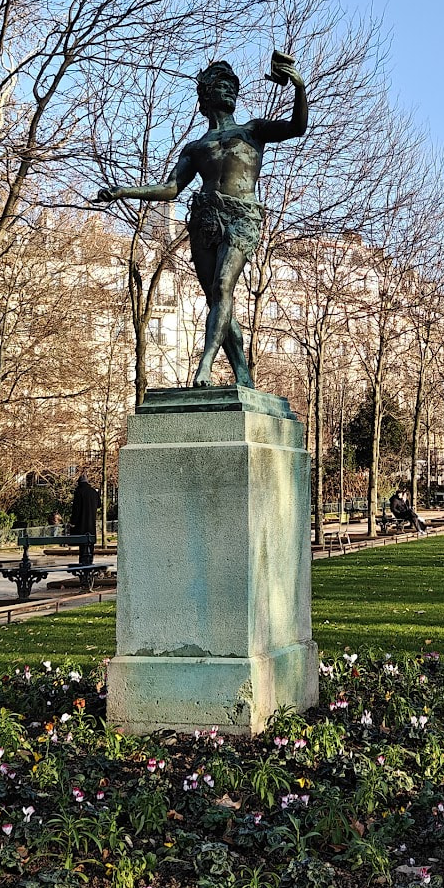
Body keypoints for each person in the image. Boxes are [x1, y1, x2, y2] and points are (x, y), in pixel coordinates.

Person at [96, 53, 308, 388]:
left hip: (242, 218)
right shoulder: (196, 147)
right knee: (215, 300)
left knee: (223, 287)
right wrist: (124, 191)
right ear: (206, 95)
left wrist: (298, 87)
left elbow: (297, 127)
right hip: (204, 220)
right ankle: (242, 375)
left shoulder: (253, 131)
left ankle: (205, 366)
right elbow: (171, 188)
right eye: (222, 85)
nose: (230, 91)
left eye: (233, 86)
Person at [70, 471, 100, 564]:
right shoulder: (94, 492)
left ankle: (83, 564)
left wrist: (73, 522)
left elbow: (76, 509)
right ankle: (89, 562)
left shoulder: (78, 492)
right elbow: (99, 505)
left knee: (82, 548)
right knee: (90, 545)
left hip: (81, 524)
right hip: (91, 524)